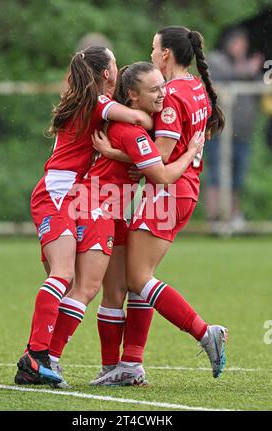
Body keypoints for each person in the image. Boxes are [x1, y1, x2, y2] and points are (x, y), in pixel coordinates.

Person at [44, 61, 205, 388]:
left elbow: (142, 136)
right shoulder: (131, 130)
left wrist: (118, 153)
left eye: (163, 86)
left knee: (116, 290)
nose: (163, 94)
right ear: (132, 95)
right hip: (95, 206)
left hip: (111, 207)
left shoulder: (138, 126)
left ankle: (111, 368)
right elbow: (161, 176)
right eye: (155, 90)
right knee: (86, 288)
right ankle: (48, 357)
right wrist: (189, 153)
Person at [89, 26, 228, 386]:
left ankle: (203, 332)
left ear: (166, 54)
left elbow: (160, 162)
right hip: (182, 191)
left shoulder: (172, 97)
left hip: (168, 192)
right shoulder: (196, 85)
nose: (151, 54)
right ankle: (131, 364)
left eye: (154, 48)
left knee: (137, 277)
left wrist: (111, 152)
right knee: (138, 280)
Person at [14, 45, 154, 387]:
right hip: (59, 194)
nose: (118, 70)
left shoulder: (82, 99)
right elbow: (141, 118)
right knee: (63, 276)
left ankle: (40, 358)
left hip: (67, 195)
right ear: (106, 74)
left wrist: (118, 157)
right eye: (115, 65)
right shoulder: (99, 103)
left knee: (77, 283)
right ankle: (36, 356)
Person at [205, 28, 262, 227]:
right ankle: (214, 218)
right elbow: (225, 77)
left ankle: (233, 215)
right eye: (238, 43)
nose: (241, 47)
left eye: (243, 43)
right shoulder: (216, 60)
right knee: (217, 174)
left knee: (237, 177)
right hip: (219, 132)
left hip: (242, 133)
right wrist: (246, 69)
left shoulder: (246, 67)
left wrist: (251, 70)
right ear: (228, 43)